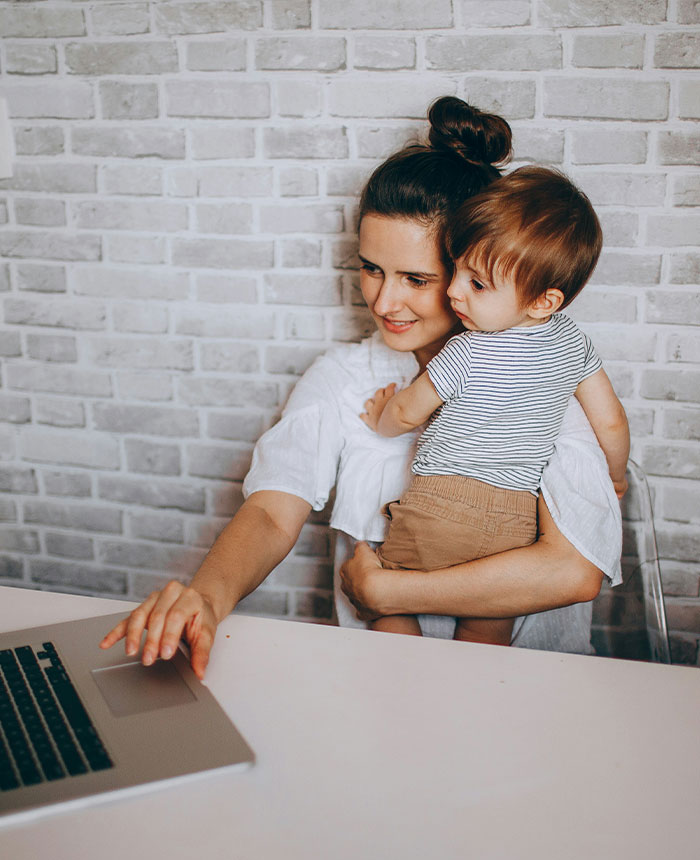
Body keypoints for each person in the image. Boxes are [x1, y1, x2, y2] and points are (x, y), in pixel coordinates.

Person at [100, 96, 622, 679]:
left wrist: (389, 595)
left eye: (416, 278)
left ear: (477, 271)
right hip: (381, 695)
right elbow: (274, 511)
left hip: (535, 697)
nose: (382, 300)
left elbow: (573, 572)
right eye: (371, 267)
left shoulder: (539, 385)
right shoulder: (345, 377)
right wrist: (209, 595)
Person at [360, 166, 629, 645]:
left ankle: (398, 672)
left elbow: (406, 413)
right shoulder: (574, 345)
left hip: (438, 507)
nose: (454, 290)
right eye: (457, 270)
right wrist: (615, 474)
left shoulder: (465, 351)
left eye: (477, 284)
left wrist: (379, 418)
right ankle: (473, 704)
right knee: (489, 624)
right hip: (515, 521)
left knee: (384, 597)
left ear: (545, 301)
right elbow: (609, 420)